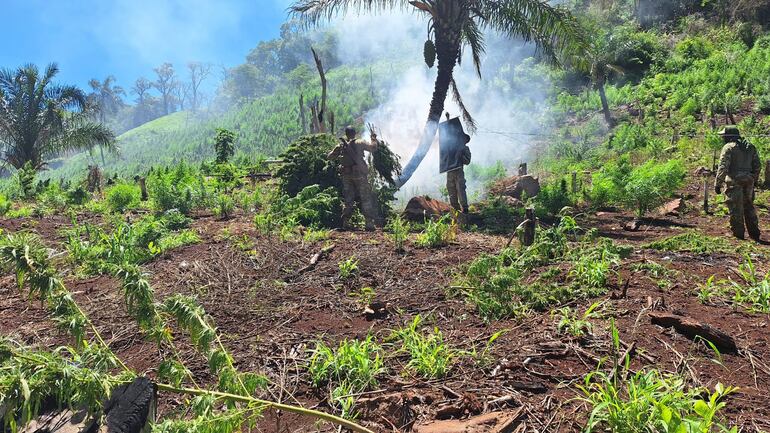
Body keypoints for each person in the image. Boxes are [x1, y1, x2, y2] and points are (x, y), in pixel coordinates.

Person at [328, 126, 384, 231]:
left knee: (348, 199)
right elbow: (373, 148)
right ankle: (369, 223)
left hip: (346, 176)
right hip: (360, 175)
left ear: (346, 134)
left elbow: (330, 157)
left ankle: (346, 222)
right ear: (355, 133)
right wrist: (373, 138)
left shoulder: (341, 145)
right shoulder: (360, 142)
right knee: (365, 198)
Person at [714, 125, 761, 240]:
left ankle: (738, 234)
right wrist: (753, 179)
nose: (722, 138)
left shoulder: (728, 147)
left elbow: (723, 167)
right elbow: (757, 166)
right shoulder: (750, 147)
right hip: (749, 181)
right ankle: (755, 234)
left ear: (729, 136)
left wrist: (718, 184)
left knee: (735, 208)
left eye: (724, 136)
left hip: (734, 181)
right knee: (749, 206)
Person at [445, 114, 472, 214]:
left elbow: (467, 161)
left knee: (460, 189)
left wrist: (461, 155)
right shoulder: (451, 147)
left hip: (458, 171)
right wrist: (448, 120)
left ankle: (465, 208)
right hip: (450, 171)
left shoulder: (465, 149)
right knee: (450, 189)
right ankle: (455, 209)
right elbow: (449, 133)